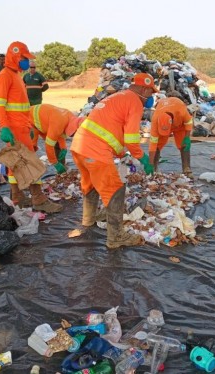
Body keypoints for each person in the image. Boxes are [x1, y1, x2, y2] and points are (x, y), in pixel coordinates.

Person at [70, 72, 156, 249]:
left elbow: (110, 129)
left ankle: (88, 219)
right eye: (151, 93)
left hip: (79, 146)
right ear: (144, 88)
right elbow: (132, 138)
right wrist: (143, 158)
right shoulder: (134, 102)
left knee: (90, 184)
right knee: (115, 188)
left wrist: (120, 154)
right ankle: (116, 237)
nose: (151, 98)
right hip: (95, 150)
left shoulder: (118, 96)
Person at [0, 41, 62, 213]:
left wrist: (29, 124)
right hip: (14, 128)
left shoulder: (16, 74)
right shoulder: (5, 76)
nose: (27, 62)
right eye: (24, 58)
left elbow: (21, 105)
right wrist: (4, 126)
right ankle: (38, 199)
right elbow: (0, 104)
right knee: (30, 161)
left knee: (15, 162)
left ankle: (17, 196)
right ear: (16, 57)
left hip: (22, 126)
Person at [29, 104, 85, 174]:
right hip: (28, 119)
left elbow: (60, 133)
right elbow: (49, 145)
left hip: (41, 121)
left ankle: (62, 169)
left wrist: (63, 148)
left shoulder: (70, 117)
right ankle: (28, 172)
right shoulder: (58, 123)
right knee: (30, 147)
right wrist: (55, 163)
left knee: (54, 144)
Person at [149, 96, 194, 177]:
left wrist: (187, 137)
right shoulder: (155, 120)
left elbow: (189, 122)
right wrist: (150, 164)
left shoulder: (181, 110)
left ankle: (187, 169)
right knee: (157, 145)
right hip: (164, 124)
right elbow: (153, 145)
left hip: (180, 126)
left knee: (184, 144)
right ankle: (153, 169)